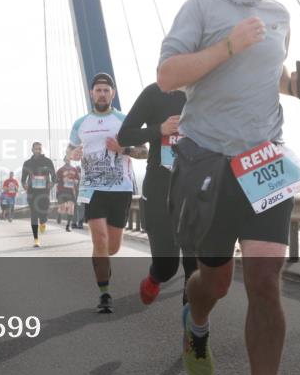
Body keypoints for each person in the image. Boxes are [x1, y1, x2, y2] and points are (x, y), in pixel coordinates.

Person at [157, 0, 300, 375]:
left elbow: (273, 73)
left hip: (266, 160)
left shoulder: (279, 13)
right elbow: (167, 75)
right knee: (217, 281)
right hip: (209, 160)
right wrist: (228, 45)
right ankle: (196, 319)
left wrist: (298, 88)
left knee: (266, 278)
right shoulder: (202, 7)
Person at [68, 72, 147, 313]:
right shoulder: (80, 123)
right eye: (98, 90)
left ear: (112, 93)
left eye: (106, 90)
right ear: (91, 93)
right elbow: (69, 150)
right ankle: (104, 293)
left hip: (120, 189)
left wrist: (124, 149)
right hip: (92, 189)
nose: (102, 94)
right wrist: (71, 155)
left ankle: (102, 260)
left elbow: (145, 152)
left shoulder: (125, 120)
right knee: (99, 239)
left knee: (112, 247)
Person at [116, 82, 195, 305]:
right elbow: (124, 136)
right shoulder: (154, 93)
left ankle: (193, 331)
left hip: (197, 185)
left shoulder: (208, 90)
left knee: (194, 267)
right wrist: (159, 129)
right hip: (160, 186)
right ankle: (154, 277)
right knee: (167, 266)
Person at [21, 142, 55, 248]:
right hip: (32, 192)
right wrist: (24, 185)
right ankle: (36, 239)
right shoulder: (27, 163)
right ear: (32, 150)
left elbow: (54, 176)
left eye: (39, 149)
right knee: (34, 214)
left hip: (44, 192)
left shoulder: (48, 162)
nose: (38, 150)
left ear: (41, 150)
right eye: (36, 149)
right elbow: (23, 179)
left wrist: (51, 183)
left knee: (44, 213)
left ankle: (43, 222)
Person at [55, 156, 80, 232]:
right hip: (62, 191)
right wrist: (62, 180)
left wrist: (75, 181)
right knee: (62, 209)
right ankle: (59, 213)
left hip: (71, 192)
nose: (68, 160)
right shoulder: (60, 170)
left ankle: (68, 226)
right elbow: (55, 180)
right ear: (64, 160)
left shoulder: (74, 169)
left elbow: (78, 179)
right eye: (67, 159)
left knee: (71, 208)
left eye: (69, 159)